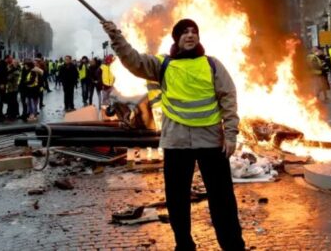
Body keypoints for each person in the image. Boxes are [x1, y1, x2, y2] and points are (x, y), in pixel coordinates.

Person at [103, 18, 245, 251]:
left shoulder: (212, 65)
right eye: (184, 32)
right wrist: (116, 37)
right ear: (176, 38)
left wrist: (231, 135)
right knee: (177, 201)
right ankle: (184, 245)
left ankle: (233, 246)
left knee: (223, 200)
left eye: (194, 32)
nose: (190, 35)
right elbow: (134, 61)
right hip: (176, 142)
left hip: (212, 141)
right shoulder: (163, 64)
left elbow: (228, 99)